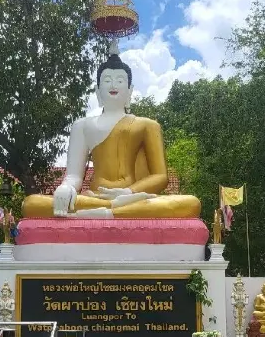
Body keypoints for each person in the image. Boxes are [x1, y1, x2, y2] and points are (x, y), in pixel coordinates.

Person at [22, 53, 201, 219]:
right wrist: (66, 188)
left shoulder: (147, 125)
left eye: (120, 80)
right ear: (97, 89)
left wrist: (128, 193)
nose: (113, 85)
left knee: (191, 204)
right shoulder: (82, 126)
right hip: (95, 197)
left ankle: (106, 212)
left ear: (130, 90)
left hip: (134, 197)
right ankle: (116, 211)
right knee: (31, 204)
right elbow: (74, 176)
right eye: (107, 80)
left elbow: (161, 177)